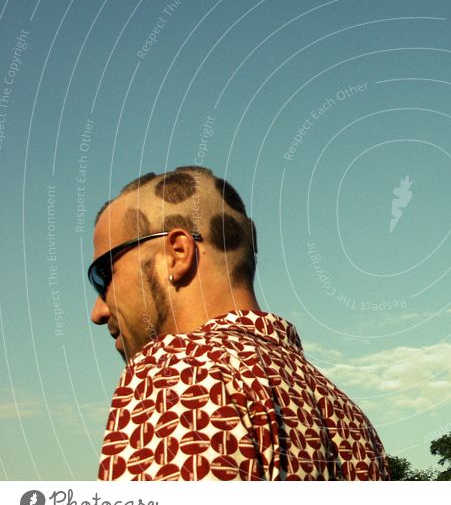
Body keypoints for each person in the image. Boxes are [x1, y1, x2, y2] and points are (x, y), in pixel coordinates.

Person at [89, 166, 389, 480]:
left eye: (104, 275)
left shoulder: (179, 372)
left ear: (177, 254)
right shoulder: (349, 419)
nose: (98, 311)